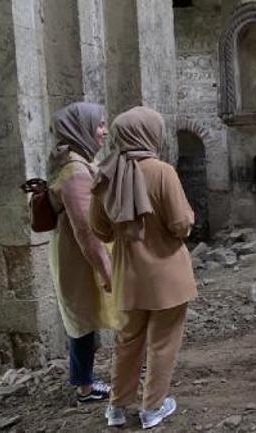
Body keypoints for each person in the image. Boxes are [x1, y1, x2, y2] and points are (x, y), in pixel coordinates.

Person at [89, 106, 197, 429]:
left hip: (128, 277)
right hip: (167, 277)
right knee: (162, 344)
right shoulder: (162, 172)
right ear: (151, 133)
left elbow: (100, 229)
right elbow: (180, 224)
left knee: (127, 342)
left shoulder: (106, 174)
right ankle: (152, 408)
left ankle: (116, 408)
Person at [47, 102, 114, 403]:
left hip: (80, 254)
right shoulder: (74, 169)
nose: (104, 131)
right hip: (80, 257)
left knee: (84, 314)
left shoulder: (76, 160)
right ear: (80, 128)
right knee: (83, 317)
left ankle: (92, 379)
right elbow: (85, 230)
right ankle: (86, 385)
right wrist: (106, 269)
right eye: (99, 124)